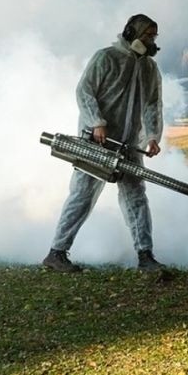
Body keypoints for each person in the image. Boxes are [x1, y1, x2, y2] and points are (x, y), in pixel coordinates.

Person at [43, 14, 165, 273]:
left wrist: (152, 136)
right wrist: (97, 121)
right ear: (131, 33)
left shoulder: (149, 68)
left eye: (154, 37)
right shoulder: (106, 58)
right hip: (96, 141)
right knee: (83, 195)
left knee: (136, 198)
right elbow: (84, 91)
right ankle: (56, 253)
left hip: (129, 144)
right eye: (147, 36)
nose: (151, 41)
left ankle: (146, 255)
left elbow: (153, 104)